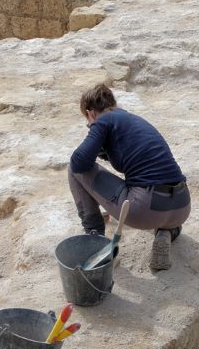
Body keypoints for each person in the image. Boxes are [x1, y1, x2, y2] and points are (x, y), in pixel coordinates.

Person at [68, 83, 190, 272]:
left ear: (90, 112)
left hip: (145, 209)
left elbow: (79, 163)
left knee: (73, 169)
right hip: (181, 206)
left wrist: (94, 129)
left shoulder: (102, 121)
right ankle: (167, 231)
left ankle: (95, 239)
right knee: (160, 211)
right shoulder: (131, 120)